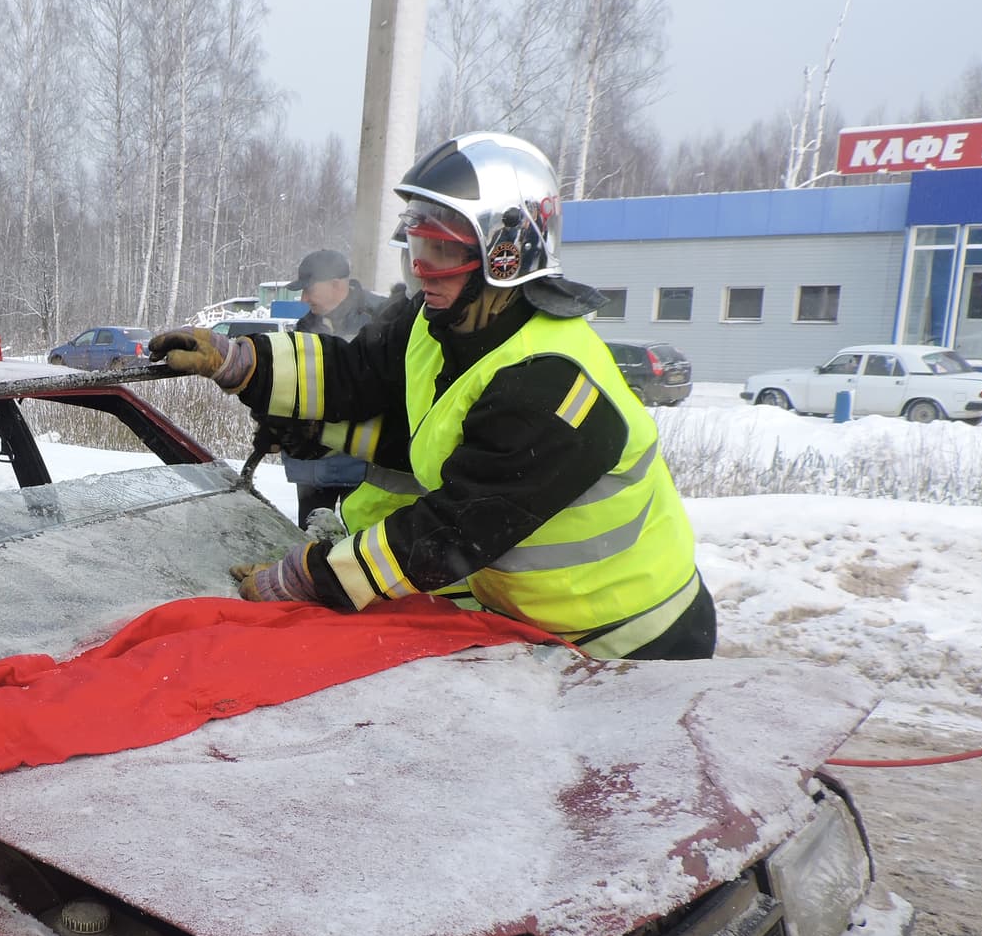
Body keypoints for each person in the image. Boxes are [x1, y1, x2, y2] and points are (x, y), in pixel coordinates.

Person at [150, 131, 714, 661]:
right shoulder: (438, 319)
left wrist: (308, 579)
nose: (422, 274)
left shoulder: (550, 384)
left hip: (632, 640)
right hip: (532, 629)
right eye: (415, 250)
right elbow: (353, 373)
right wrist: (240, 360)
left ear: (506, 256)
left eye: (442, 255)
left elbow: (450, 530)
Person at [282, 247, 388, 522]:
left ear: (335, 284)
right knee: (312, 538)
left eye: (308, 289)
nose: (304, 298)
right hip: (315, 466)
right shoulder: (304, 326)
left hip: (366, 465)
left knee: (359, 545)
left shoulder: (383, 317)